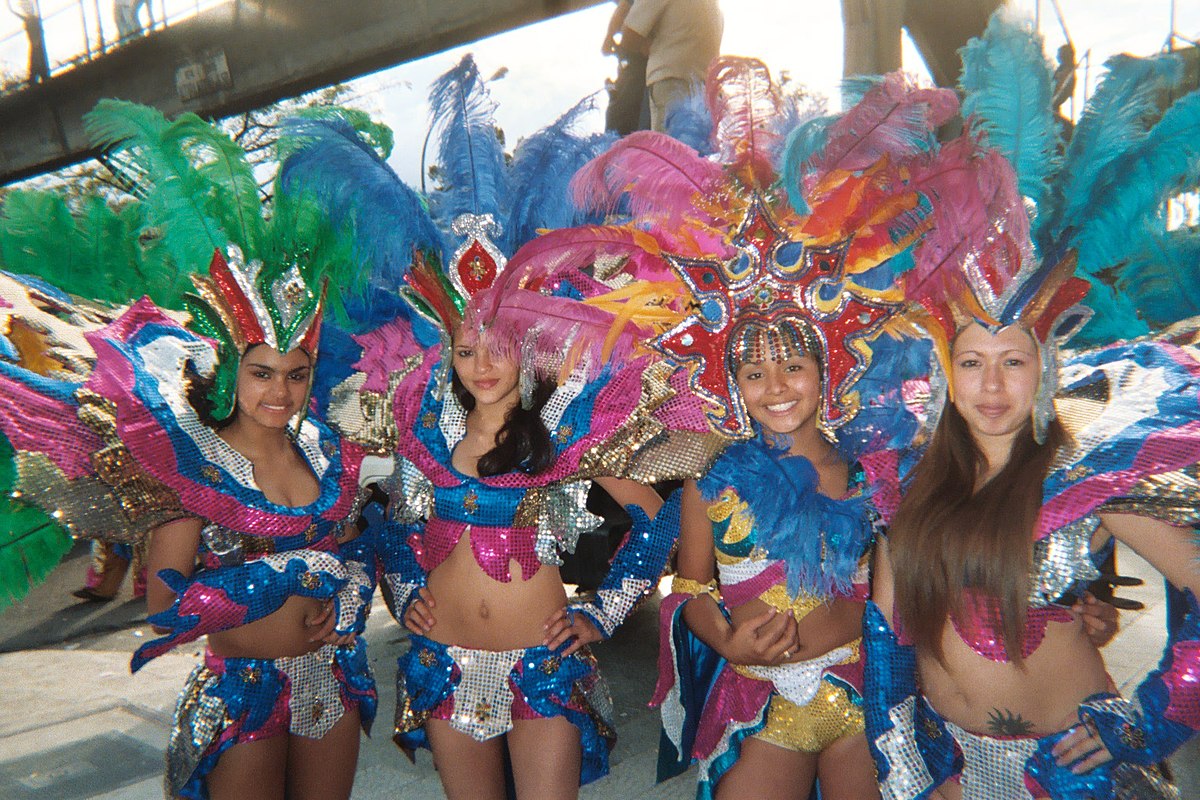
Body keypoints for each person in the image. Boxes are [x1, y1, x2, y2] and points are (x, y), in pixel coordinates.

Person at [0, 101, 379, 800]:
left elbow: (353, 546)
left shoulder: (326, 452)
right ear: (229, 369)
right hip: (241, 695)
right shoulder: (190, 460)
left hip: (330, 679)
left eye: (297, 374)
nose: (281, 392)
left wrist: (348, 599)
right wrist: (286, 571)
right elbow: (168, 607)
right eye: (262, 372)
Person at [620, 0, 722, 131]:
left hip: (671, 80)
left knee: (669, 148)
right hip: (706, 88)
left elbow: (629, 36)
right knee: (697, 148)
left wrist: (659, 48)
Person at [8, 0, 48, 83]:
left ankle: (38, 76)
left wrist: (36, 41)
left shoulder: (33, 19)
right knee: (36, 62)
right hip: (34, 44)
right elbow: (12, 10)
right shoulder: (28, 19)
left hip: (36, 44)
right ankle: (38, 76)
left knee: (37, 61)